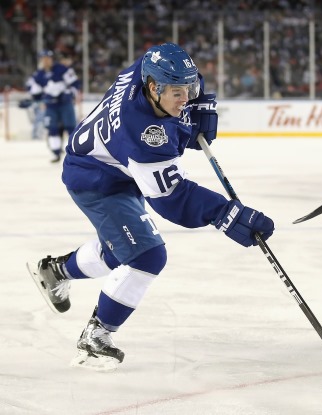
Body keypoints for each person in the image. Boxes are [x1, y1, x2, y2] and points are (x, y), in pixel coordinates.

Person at [26, 42, 275, 371]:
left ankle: (56, 270)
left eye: (188, 90)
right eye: (178, 93)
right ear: (154, 87)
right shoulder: (145, 135)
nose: (184, 98)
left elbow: (181, 70)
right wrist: (225, 214)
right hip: (96, 180)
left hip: (113, 165)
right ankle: (96, 334)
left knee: (125, 247)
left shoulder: (148, 69)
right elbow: (173, 198)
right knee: (147, 254)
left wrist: (198, 99)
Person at [27, 49, 81, 162]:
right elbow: (34, 92)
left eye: (48, 58)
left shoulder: (62, 69)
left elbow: (75, 84)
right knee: (52, 129)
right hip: (51, 106)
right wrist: (36, 99)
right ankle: (56, 153)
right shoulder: (39, 75)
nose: (46, 61)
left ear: (51, 59)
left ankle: (77, 153)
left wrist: (70, 93)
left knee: (70, 127)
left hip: (65, 104)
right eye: (44, 59)